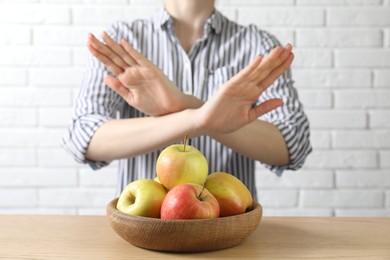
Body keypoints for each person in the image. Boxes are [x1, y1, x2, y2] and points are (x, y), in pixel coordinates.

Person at [61, 0, 312, 200]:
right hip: (143, 231)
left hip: (229, 232)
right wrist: (195, 116)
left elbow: (293, 144)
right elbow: (84, 135)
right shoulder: (123, 41)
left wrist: (188, 106)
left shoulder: (257, 45)